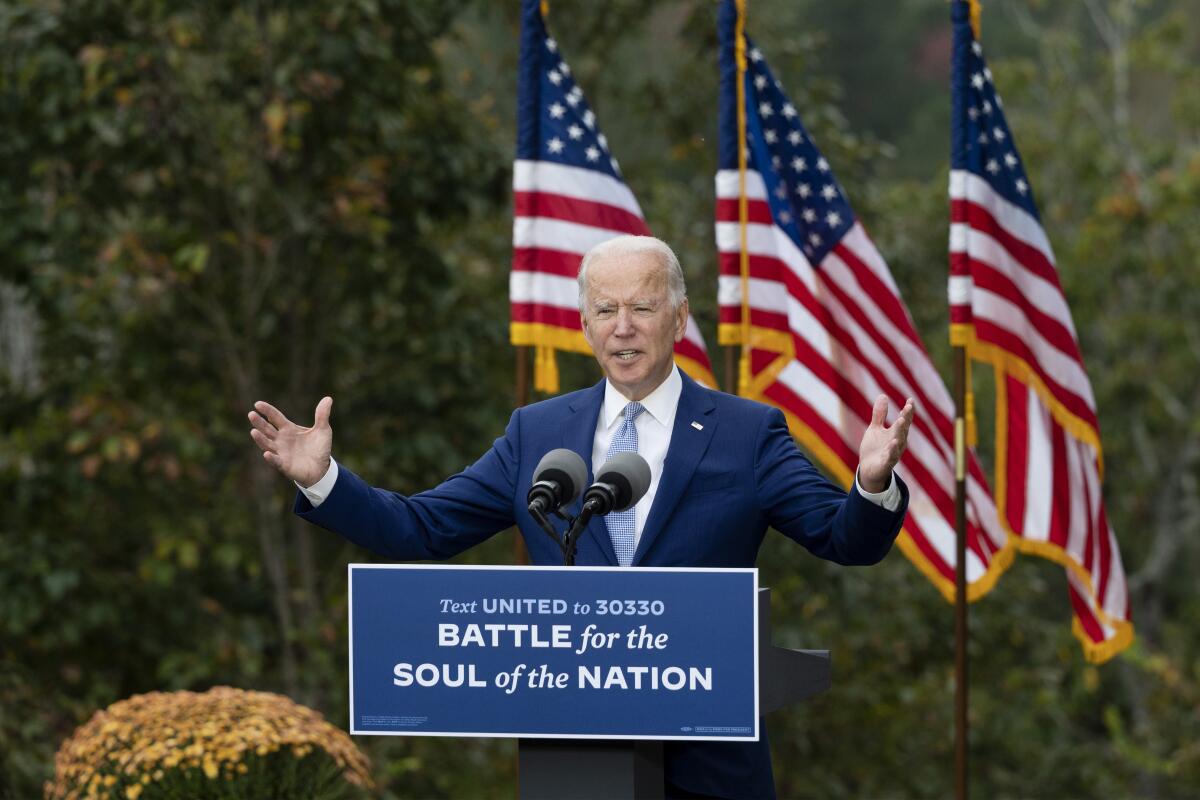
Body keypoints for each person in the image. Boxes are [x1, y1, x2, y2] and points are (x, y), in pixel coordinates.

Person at [248, 235, 913, 799]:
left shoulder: (747, 433)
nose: (623, 326)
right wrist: (324, 481)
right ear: (586, 325)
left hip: (710, 768)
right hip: (575, 764)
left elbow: (842, 537)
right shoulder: (536, 433)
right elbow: (420, 529)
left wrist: (873, 481)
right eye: (606, 309)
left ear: (678, 320)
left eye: (642, 308)